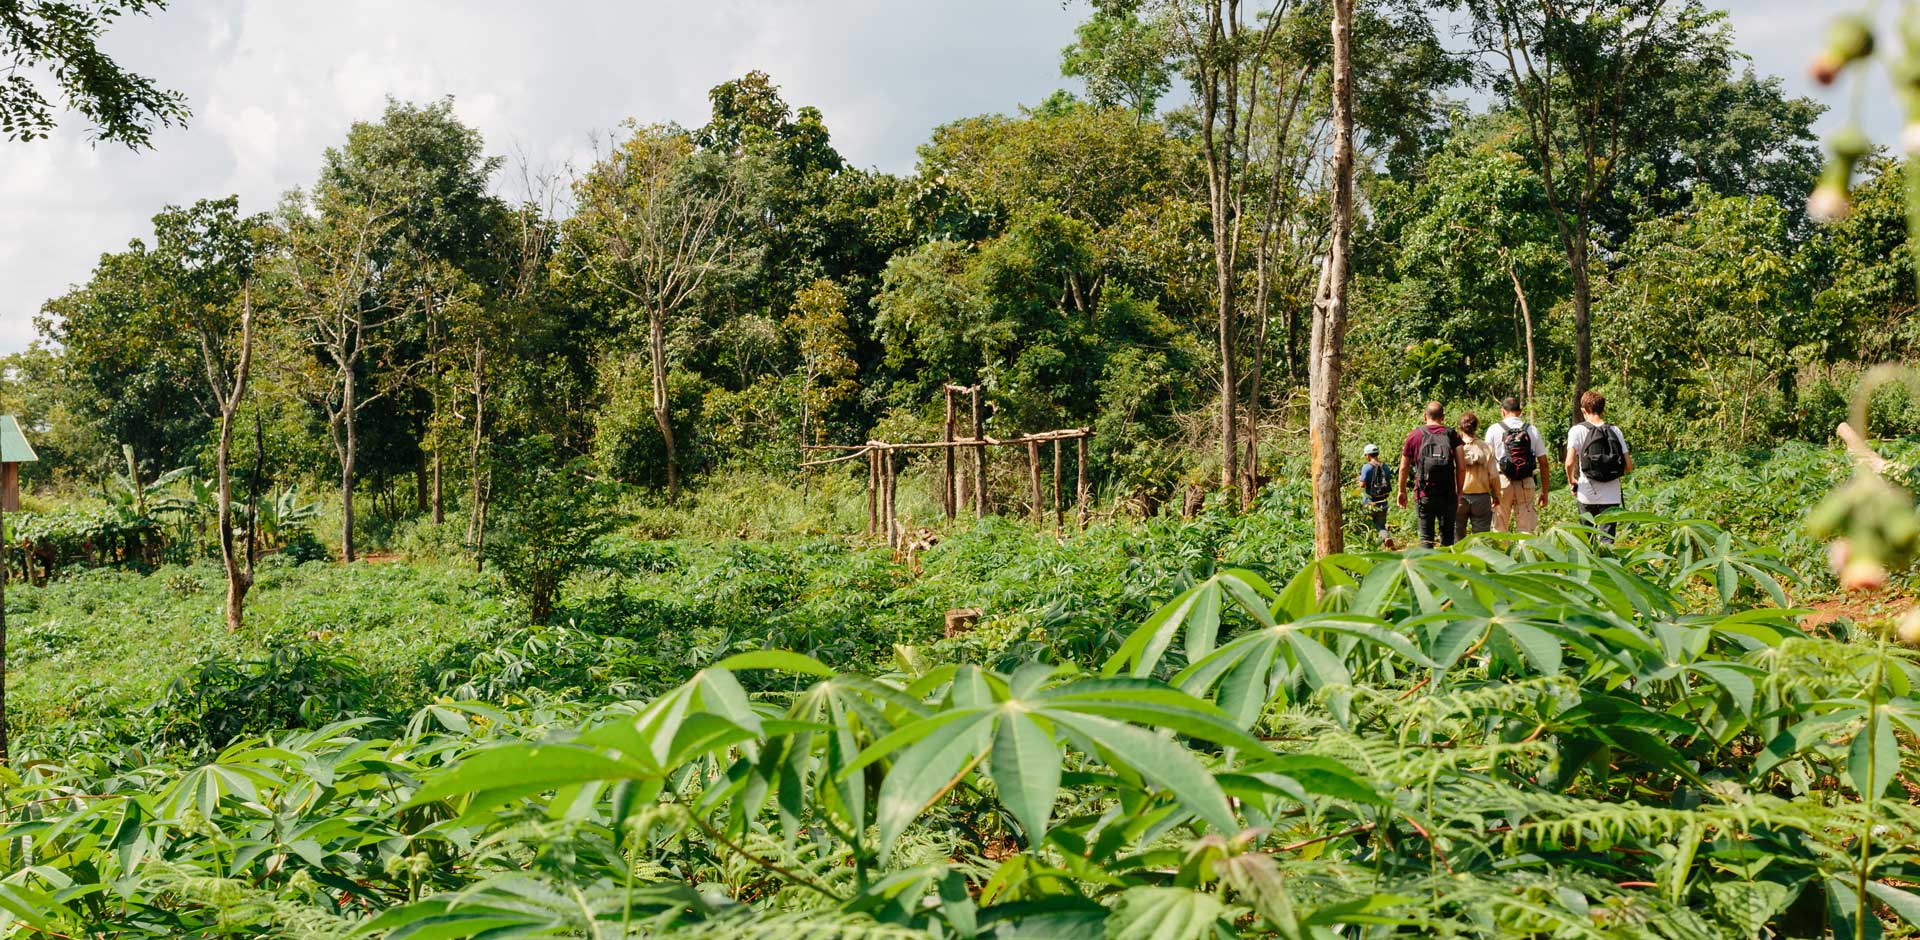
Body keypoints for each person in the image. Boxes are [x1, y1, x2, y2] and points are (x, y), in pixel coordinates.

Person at [1564, 390, 1632, 543]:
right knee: (1606, 541)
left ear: (1583, 410)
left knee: (1587, 540)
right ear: (1603, 409)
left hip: (1587, 493)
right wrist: (1611, 475)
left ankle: (1589, 566)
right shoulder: (1615, 430)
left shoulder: (1577, 430)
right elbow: (1628, 465)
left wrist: (1571, 480)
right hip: (1611, 495)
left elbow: (1569, 462)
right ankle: (1606, 565)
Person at [1398, 401, 1461, 548]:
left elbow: (1403, 467)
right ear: (1443, 417)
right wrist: (1459, 491)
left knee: (1426, 538)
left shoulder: (1415, 435)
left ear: (1425, 416)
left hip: (1424, 494)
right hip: (1448, 494)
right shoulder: (1452, 434)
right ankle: (1448, 569)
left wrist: (1401, 491)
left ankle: (1427, 569)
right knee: (1447, 538)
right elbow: (1461, 467)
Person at [1485, 396, 1550, 533]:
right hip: (1525, 482)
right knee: (1526, 529)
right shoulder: (1531, 430)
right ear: (1520, 411)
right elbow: (1544, 463)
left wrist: (1489, 490)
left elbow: (1487, 462)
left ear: (1502, 411)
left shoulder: (1493, 430)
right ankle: (1524, 553)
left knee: (1500, 528)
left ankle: (1503, 553)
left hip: (1502, 483)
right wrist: (1544, 491)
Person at [1454, 412, 1496, 541]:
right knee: (1481, 539)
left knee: (1457, 538)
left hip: (1459, 497)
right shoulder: (1486, 447)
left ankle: (1458, 560)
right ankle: (1479, 561)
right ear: (1476, 427)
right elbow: (1493, 475)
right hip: (1481, 497)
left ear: (1460, 427)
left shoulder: (1454, 447)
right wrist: (1496, 495)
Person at [1358, 443, 1391, 545]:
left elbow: (1362, 485)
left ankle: (1368, 545)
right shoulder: (1385, 466)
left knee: (1366, 525)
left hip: (1370, 503)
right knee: (1380, 525)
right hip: (1383, 501)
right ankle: (1386, 538)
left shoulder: (1366, 467)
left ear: (1368, 455)